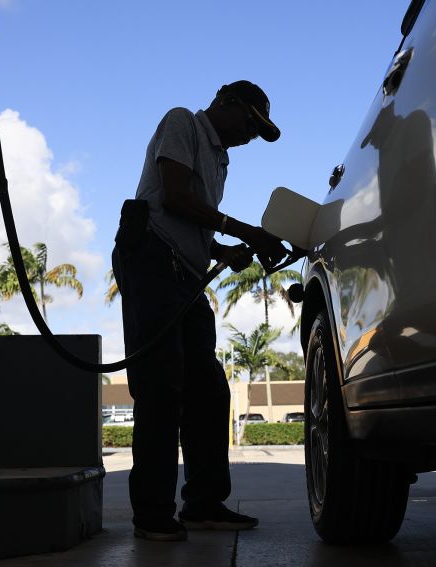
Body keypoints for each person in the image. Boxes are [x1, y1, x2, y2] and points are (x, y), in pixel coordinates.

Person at [111, 81, 289, 541]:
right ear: (227, 102)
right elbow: (172, 197)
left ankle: (203, 503)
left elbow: (193, 218)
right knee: (161, 387)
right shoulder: (182, 122)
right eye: (250, 122)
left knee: (208, 390)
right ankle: (152, 513)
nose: (251, 134)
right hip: (152, 259)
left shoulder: (220, 159)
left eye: (258, 129)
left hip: (184, 273)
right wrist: (246, 232)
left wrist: (222, 250)